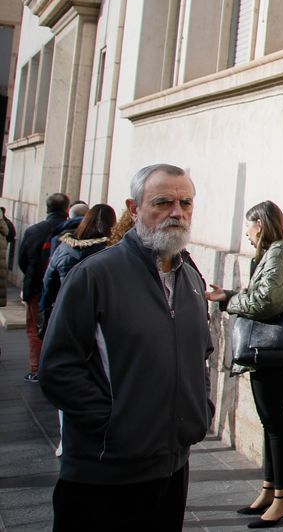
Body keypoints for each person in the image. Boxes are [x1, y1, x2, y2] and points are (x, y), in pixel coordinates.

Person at [38, 164, 212, 531]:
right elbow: (57, 369)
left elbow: (202, 357)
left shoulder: (192, 279)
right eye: (163, 202)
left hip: (172, 468)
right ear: (134, 209)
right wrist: (116, 425)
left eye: (186, 203)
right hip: (104, 475)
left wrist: (200, 410)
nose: (177, 212)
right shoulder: (95, 275)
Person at [205, 200, 283, 528]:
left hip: (272, 353)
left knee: (275, 423)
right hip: (267, 353)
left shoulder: (277, 253)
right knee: (270, 422)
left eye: (249, 224)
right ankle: (271, 489)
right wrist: (229, 294)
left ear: (259, 224)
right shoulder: (272, 253)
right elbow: (262, 294)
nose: (246, 231)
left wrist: (232, 301)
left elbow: (267, 301)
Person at [38, 203, 119, 336]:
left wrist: (45, 311)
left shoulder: (63, 249)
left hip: (64, 315)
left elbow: (48, 284)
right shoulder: (113, 253)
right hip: (100, 322)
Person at [18, 192, 70, 381]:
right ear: (67, 209)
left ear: (47, 208)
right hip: (61, 288)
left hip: (37, 287)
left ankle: (37, 369)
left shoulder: (34, 231)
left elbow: (22, 260)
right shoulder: (74, 230)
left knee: (35, 329)